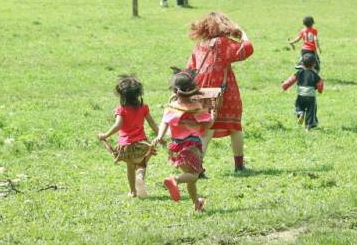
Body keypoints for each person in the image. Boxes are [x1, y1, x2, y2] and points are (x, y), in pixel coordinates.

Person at [185, 12, 254, 172]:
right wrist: (242, 34)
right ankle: (239, 166)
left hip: (202, 91)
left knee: (207, 128)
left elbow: (190, 68)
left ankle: (196, 165)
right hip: (224, 91)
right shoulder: (224, 43)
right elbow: (247, 49)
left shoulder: (200, 45)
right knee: (235, 127)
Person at [152, 71, 215, 211]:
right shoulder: (196, 106)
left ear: (175, 90)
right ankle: (175, 180)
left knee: (191, 177)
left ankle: (196, 204)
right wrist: (213, 116)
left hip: (176, 146)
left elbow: (165, 122)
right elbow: (207, 125)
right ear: (193, 90)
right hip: (191, 144)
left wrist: (160, 136)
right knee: (193, 175)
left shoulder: (172, 106)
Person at [97, 75, 159, 198]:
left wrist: (105, 135)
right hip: (142, 144)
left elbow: (118, 126)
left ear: (122, 96)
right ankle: (140, 175)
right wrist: (159, 134)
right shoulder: (143, 107)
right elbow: (151, 122)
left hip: (126, 146)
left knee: (130, 168)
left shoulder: (121, 110)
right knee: (142, 163)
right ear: (138, 94)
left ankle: (133, 191)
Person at [281, 53, 324, 130]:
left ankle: (300, 113)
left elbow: (291, 80)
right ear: (314, 64)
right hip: (311, 97)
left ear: (302, 63)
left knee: (299, 106)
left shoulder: (299, 72)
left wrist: (285, 86)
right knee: (311, 111)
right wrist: (320, 90)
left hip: (301, 95)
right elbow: (320, 83)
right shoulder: (314, 74)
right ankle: (308, 126)